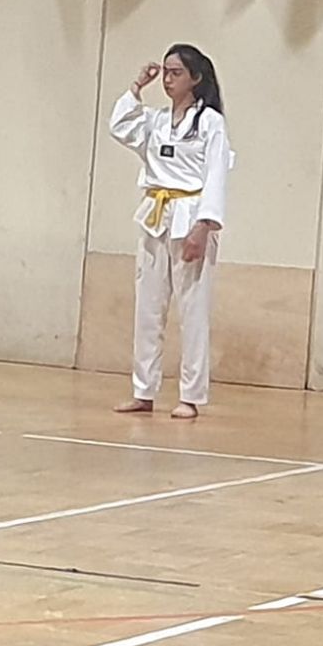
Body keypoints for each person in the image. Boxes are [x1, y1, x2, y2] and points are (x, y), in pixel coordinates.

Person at [108, 45, 231, 418]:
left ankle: (190, 396)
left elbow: (216, 175)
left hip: (190, 218)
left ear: (196, 78)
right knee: (148, 307)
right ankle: (143, 391)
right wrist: (137, 86)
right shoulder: (156, 120)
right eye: (165, 71)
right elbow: (119, 126)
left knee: (192, 310)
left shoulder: (209, 122)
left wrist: (203, 226)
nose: (167, 79)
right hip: (155, 216)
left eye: (176, 72)